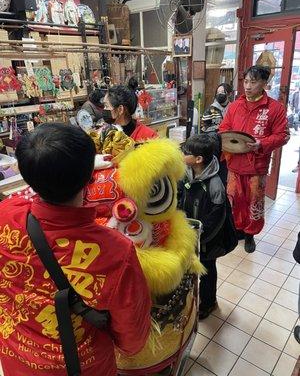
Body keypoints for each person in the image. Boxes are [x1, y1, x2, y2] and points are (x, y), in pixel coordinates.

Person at [0, 123, 151, 376]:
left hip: (17, 358)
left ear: (27, 176)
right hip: (83, 366)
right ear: (90, 178)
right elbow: (132, 338)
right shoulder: (116, 252)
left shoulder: (5, 216)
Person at [219, 65, 288, 253]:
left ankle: (250, 235)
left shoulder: (274, 108)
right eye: (246, 81)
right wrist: (225, 140)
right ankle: (238, 231)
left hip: (256, 166)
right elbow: (224, 129)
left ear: (265, 83)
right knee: (234, 200)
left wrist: (262, 143)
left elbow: (283, 135)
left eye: (254, 82)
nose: (248, 86)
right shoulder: (234, 106)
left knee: (253, 202)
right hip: (234, 165)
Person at [178, 134, 228, 320]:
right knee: (190, 268)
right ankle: (192, 297)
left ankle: (209, 303)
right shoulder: (187, 172)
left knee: (206, 270)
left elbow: (217, 219)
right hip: (190, 234)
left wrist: (200, 237)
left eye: (186, 152)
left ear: (198, 159)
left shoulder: (215, 185)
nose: (182, 154)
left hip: (206, 240)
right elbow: (180, 195)